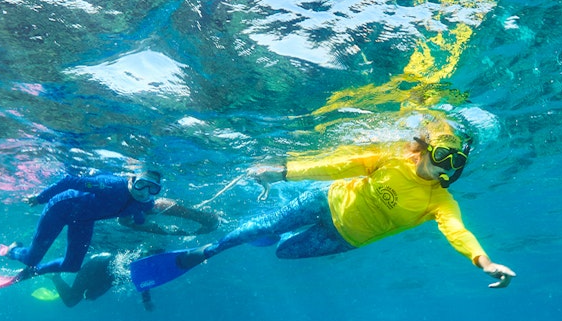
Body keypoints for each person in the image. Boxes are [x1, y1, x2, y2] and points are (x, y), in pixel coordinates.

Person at [167, 122, 515, 287]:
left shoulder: (440, 200)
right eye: (442, 155)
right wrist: (282, 172)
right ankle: (208, 250)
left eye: (455, 164)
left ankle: (273, 232)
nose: (445, 166)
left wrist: (483, 262)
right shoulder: (389, 159)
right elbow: (334, 165)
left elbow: (457, 231)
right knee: (262, 227)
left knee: (282, 252)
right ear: (425, 149)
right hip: (325, 199)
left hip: (344, 238)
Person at [0, 168, 218, 282]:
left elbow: (137, 219)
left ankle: (36, 273)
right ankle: (13, 251)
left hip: (83, 220)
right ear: (132, 179)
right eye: (141, 184)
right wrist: (40, 198)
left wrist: (162, 229)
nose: (144, 192)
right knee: (30, 258)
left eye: (152, 188)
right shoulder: (112, 186)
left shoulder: (142, 203)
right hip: (59, 209)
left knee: (72, 266)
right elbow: (68, 180)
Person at [49, 249, 160, 311]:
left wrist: (146, 299)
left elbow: (143, 281)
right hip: (94, 268)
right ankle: (55, 276)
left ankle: (56, 276)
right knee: (71, 301)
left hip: (105, 275)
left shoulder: (140, 270)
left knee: (80, 299)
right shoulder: (134, 261)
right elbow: (141, 279)